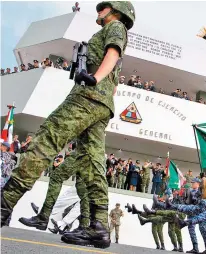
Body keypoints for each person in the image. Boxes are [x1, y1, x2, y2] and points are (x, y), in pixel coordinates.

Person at [0, 1, 135, 249]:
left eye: (103, 8)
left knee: (48, 138)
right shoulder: (113, 30)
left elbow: (112, 53)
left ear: (116, 12)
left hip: (87, 97)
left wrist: (94, 78)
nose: (99, 11)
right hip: (101, 103)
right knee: (91, 160)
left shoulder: (115, 27)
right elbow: (114, 81)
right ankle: (98, 227)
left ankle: (4, 204)